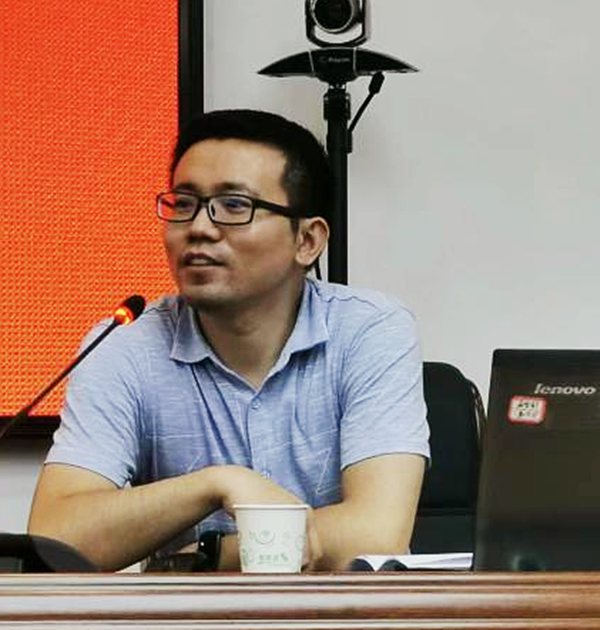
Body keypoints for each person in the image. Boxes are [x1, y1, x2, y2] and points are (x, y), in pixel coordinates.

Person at [27, 109, 429, 571]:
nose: (199, 227)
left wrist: (204, 557)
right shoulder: (125, 346)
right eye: (183, 204)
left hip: (339, 613)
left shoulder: (369, 331)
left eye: (235, 206)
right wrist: (215, 484)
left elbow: (376, 534)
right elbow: (55, 540)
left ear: (307, 241)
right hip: (190, 616)